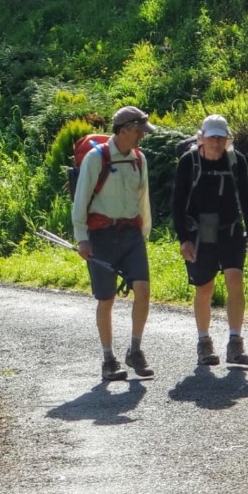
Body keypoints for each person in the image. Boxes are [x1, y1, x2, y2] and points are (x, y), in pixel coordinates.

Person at [73, 106, 156, 382]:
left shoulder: (139, 159)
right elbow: (81, 199)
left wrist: (144, 233)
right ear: (123, 131)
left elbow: (143, 199)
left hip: (131, 235)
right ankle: (108, 359)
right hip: (101, 235)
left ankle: (135, 350)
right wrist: (82, 238)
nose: (141, 138)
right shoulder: (97, 159)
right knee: (106, 299)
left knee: (143, 289)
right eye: (138, 132)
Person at [172, 114, 248, 367]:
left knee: (235, 280)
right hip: (199, 234)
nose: (216, 142)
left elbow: (247, 197)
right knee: (205, 287)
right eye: (212, 137)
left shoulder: (236, 161)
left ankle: (235, 344)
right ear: (201, 138)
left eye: (221, 138)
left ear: (227, 139)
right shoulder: (189, 162)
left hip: (231, 230)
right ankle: (204, 343)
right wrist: (184, 239)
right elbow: (177, 203)